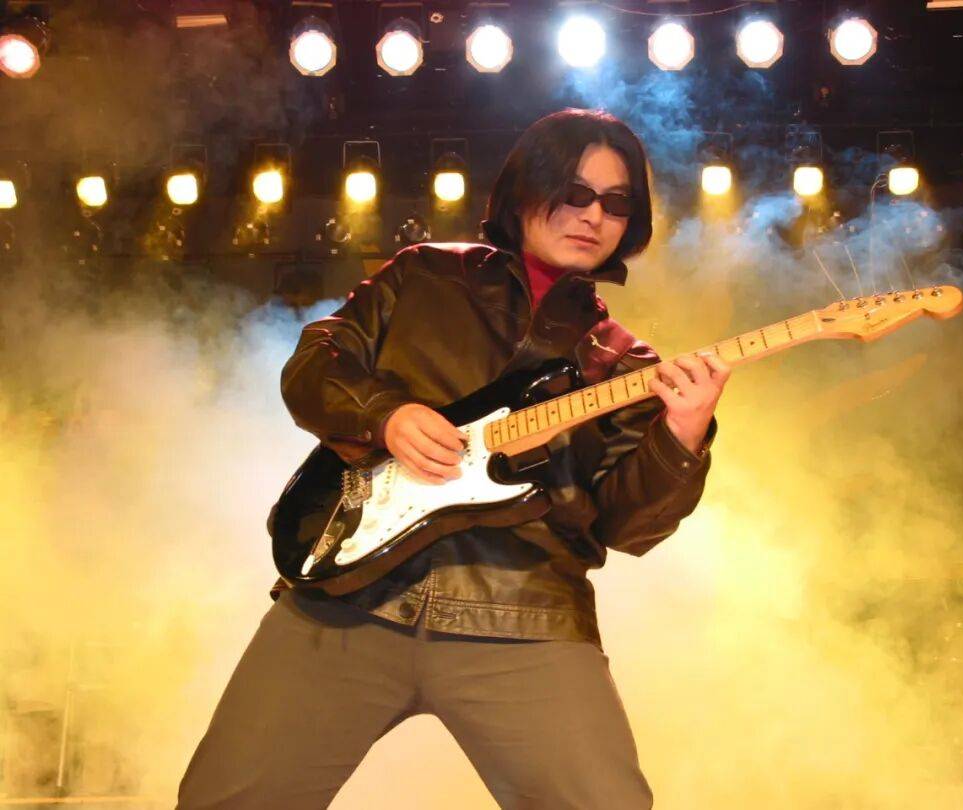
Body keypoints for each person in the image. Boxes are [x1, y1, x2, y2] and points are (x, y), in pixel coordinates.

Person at [176, 108, 730, 810]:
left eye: (617, 203)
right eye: (574, 192)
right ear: (525, 191)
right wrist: (386, 414)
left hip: (525, 615)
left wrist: (682, 435)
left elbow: (629, 526)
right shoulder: (424, 274)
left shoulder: (624, 363)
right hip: (348, 595)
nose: (594, 215)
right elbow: (313, 367)